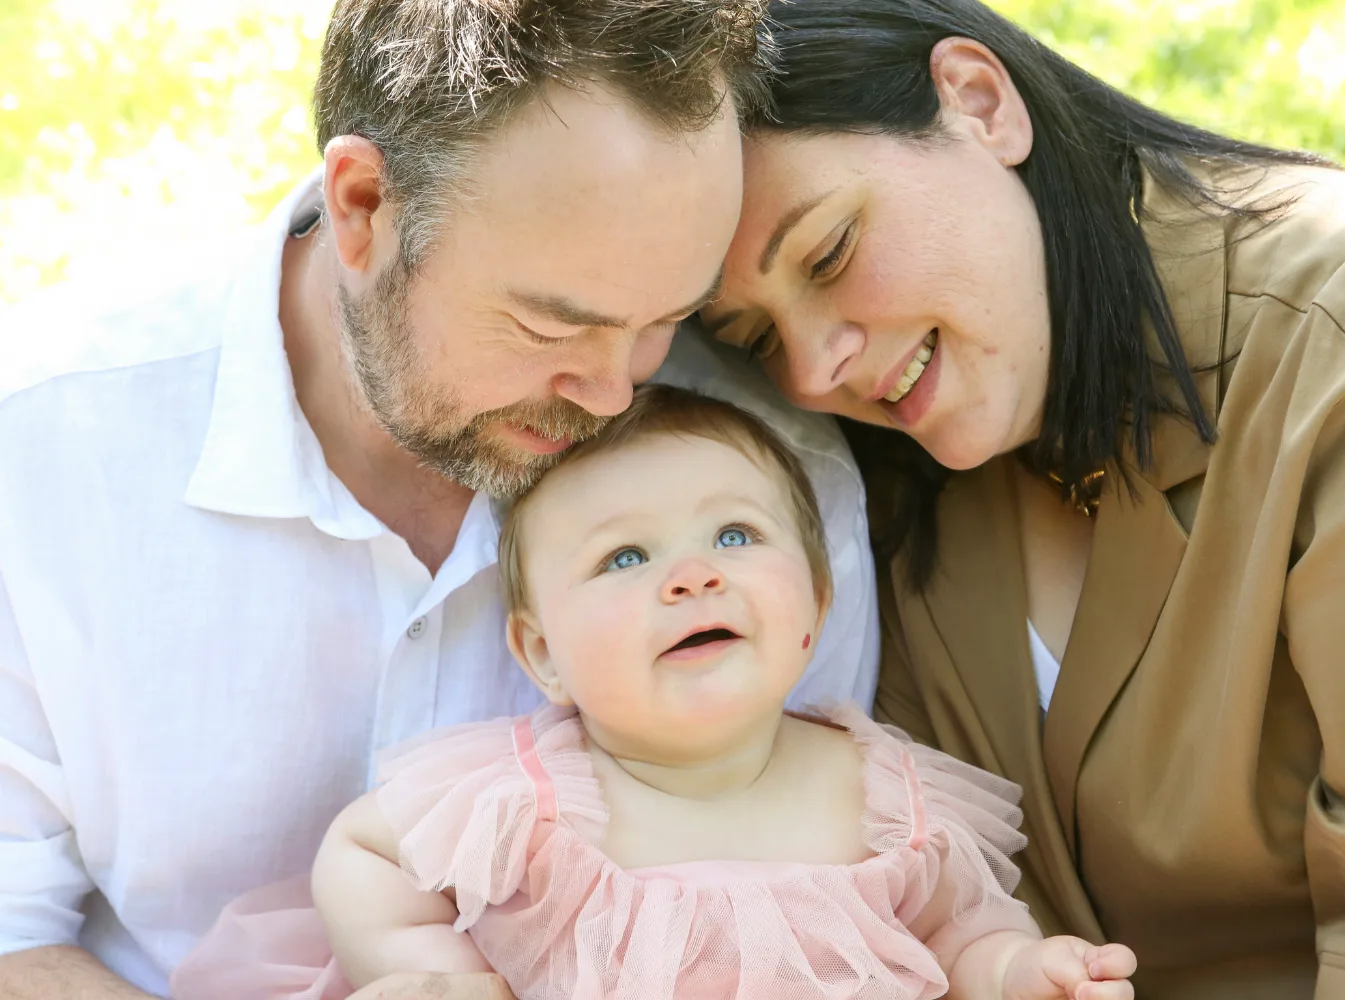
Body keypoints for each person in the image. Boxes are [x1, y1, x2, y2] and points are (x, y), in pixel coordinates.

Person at [0, 3, 879, 998]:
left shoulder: (764, 482)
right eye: (553, 326)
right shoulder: (39, 455)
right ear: (365, 204)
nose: (615, 393)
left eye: (665, 321)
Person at [698, 0, 1345, 997]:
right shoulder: (889, 474)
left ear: (980, 102)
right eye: (756, 341)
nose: (816, 371)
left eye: (828, 254)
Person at [169, 385, 1138, 1000]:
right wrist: (429, 975)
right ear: (541, 653)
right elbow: (364, 849)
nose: (691, 577)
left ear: (816, 604)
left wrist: (1018, 970)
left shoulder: (894, 799)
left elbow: (966, 922)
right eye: (626, 556)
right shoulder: (528, 800)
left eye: (733, 537)